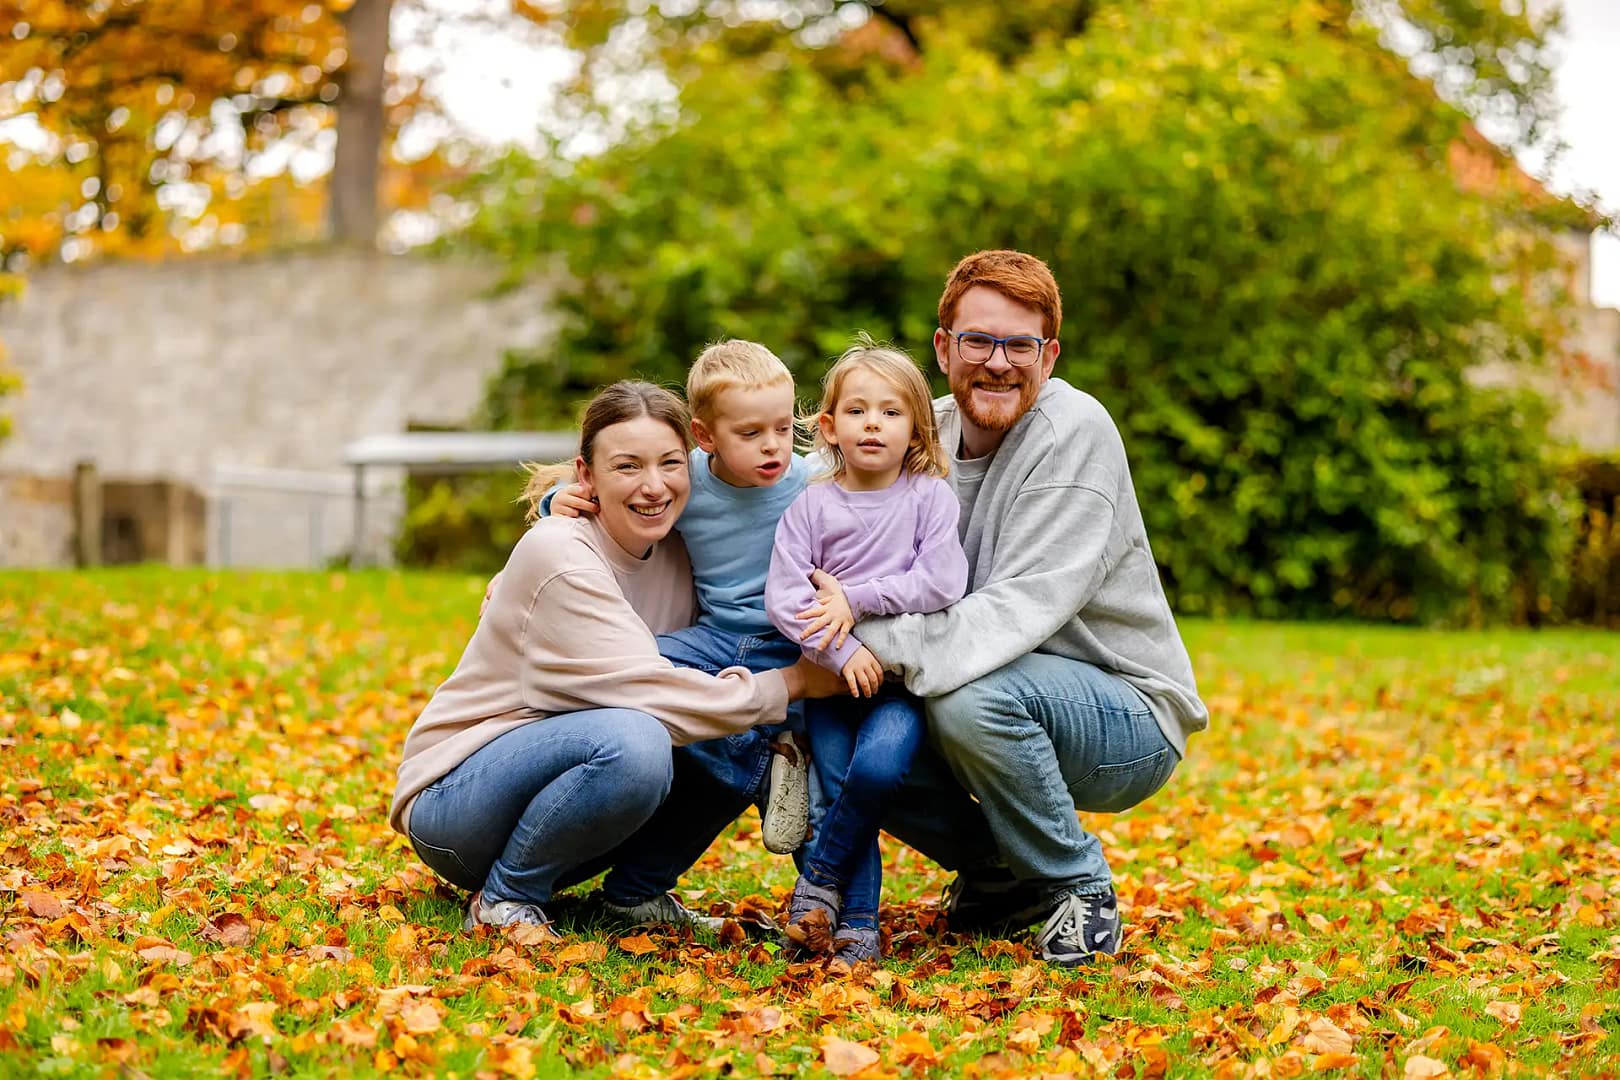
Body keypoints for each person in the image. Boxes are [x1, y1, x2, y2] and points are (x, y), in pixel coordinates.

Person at [847, 249, 1210, 966]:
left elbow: (1011, 614)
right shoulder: (920, 433)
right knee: (847, 720)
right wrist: (581, 505)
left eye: (1021, 345)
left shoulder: (1074, 431)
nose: (999, 363)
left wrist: (859, 641)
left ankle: (1079, 887)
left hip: (1126, 714)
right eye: (979, 340)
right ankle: (999, 879)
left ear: (1049, 355)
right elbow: (798, 494)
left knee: (965, 697)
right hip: (988, 688)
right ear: (944, 347)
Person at [389, 380, 841, 935]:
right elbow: (649, 694)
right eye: (627, 467)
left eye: (669, 463)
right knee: (642, 737)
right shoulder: (561, 552)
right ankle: (504, 899)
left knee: (734, 723)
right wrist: (794, 683)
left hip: (577, 790)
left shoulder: (682, 547)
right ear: (586, 476)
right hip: (459, 805)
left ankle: (636, 896)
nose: (653, 486)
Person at [544, 340, 817, 856]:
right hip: (714, 636)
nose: (773, 447)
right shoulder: (679, 475)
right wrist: (552, 503)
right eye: (751, 433)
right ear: (704, 436)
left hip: (790, 637)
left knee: (809, 745)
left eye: (784, 428)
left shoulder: (810, 480)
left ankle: (821, 898)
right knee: (635, 676)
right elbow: (604, 481)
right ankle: (769, 759)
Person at [764, 340, 968, 968]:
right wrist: (841, 647)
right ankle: (856, 929)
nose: (873, 423)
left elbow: (942, 582)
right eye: (856, 411)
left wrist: (855, 597)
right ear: (828, 427)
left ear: (916, 429)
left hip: (899, 688)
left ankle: (817, 884)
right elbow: (786, 599)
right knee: (832, 792)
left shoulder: (928, 498)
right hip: (829, 687)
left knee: (875, 774)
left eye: (890, 412)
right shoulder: (811, 506)